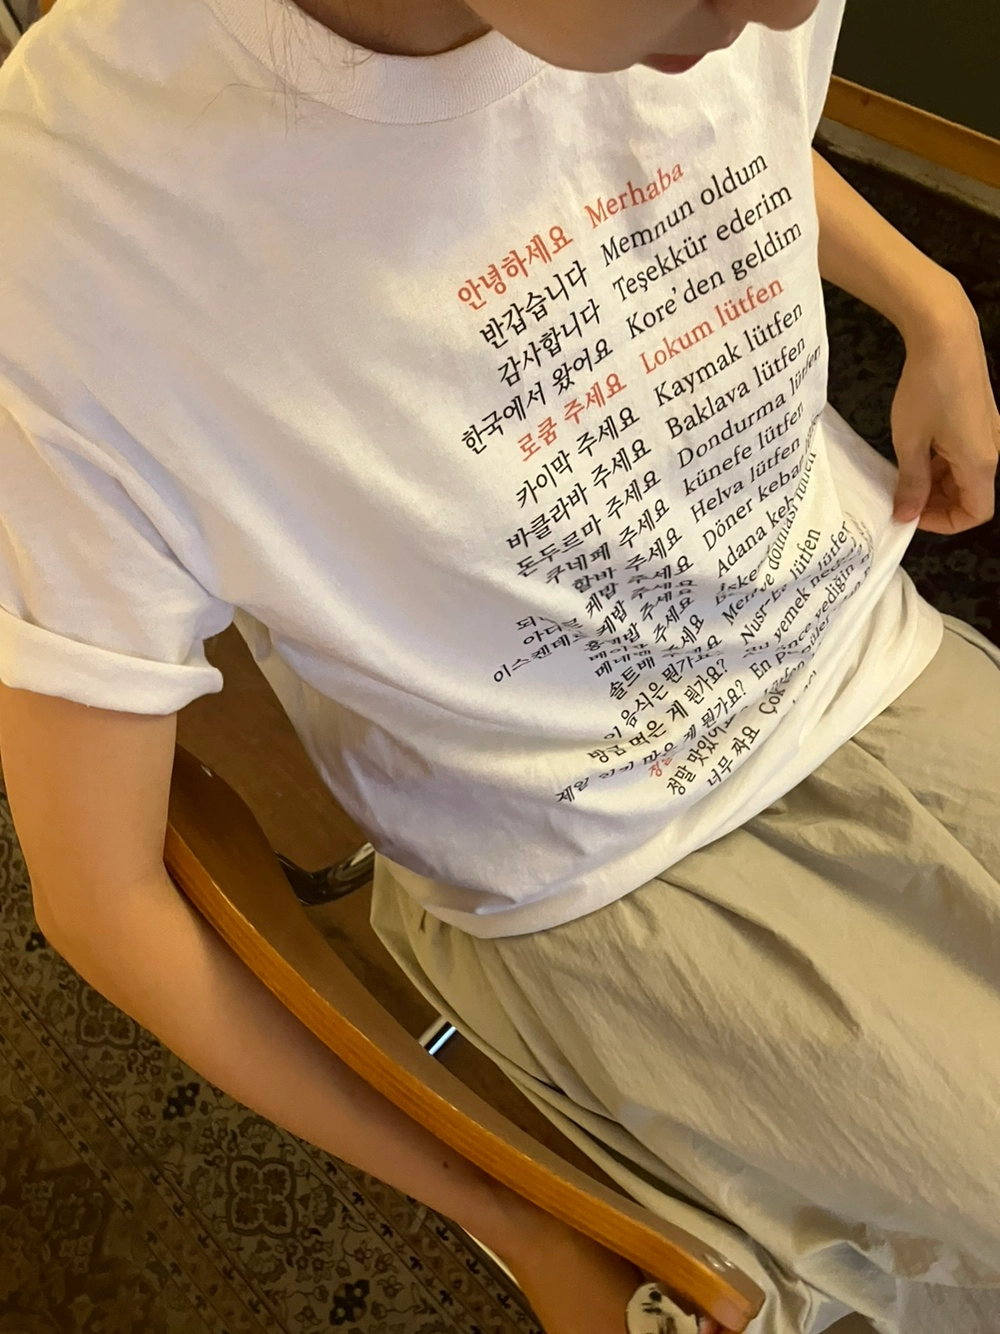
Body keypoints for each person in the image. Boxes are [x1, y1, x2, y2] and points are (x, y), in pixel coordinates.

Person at [0, 0, 998, 1330]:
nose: (787, 10)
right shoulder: (71, 239)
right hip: (615, 873)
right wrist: (519, 1215)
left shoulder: (673, 22)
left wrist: (928, 298)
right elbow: (102, 896)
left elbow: (654, 142)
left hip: (868, 638)